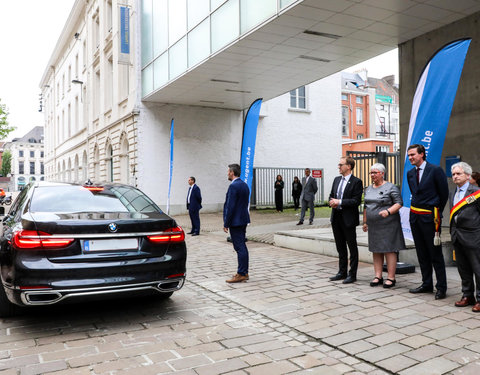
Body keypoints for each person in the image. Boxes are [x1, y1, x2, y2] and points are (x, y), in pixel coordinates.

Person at [407, 144, 449, 300]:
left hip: (430, 218)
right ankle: (426, 284)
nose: (410, 157)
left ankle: (441, 287)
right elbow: (415, 194)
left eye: (413, 155)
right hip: (415, 218)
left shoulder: (435, 170)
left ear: (422, 154)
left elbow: (443, 194)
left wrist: (435, 212)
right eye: (409, 155)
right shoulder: (410, 173)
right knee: (422, 252)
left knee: (435, 253)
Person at [362, 163, 406, 288]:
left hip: (388, 224)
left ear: (382, 173)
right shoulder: (368, 188)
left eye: (375, 172)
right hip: (374, 225)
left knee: (389, 249)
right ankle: (378, 276)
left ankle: (391, 277)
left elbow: (399, 203)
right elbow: (366, 206)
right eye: (371, 173)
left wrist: (388, 211)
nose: (372, 175)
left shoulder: (391, 187)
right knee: (376, 249)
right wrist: (365, 222)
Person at [449, 162, 480, 312]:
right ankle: (467, 295)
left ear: (468, 176)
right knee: (463, 268)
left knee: (478, 268)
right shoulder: (452, 192)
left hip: (474, 236)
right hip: (457, 235)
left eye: (458, 174)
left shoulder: (477, 192)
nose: (455, 176)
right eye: (453, 174)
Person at [328, 156, 363, 284]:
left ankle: (352, 274)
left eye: (341, 164)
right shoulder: (336, 180)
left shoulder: (356, 182)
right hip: (336, 218)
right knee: (340, 246)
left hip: (348, 219)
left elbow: (356, 201)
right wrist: (331, 202)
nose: (338, 166)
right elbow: (331, 195)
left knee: (352, 247)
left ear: (348, 166)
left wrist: (340, 202)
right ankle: (341, 272)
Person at [223, 163, 251, 283]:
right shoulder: (244, 185)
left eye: (228, 171)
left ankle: (242, 273)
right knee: (241, 246)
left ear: (232, 172)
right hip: (243, 219)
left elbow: (231, 206)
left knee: (239, 247)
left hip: (235, 221)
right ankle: (243, 271)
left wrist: (226, 223)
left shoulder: (233, 186)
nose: (227, 173)